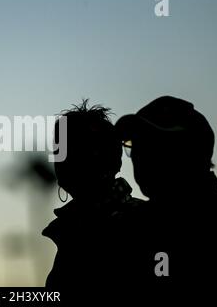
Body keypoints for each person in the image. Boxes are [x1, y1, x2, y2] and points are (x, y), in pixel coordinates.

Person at [115, 96, 217, 289]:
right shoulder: (138, 222)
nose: (139, 154)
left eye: (154, 143)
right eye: (135, 144)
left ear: (192, 152)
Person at [42, 100, 143, 289]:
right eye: (58, 150)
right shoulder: (74, 227)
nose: (60, 160)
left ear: (112, 160)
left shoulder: (144, 223)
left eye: (73, 149)